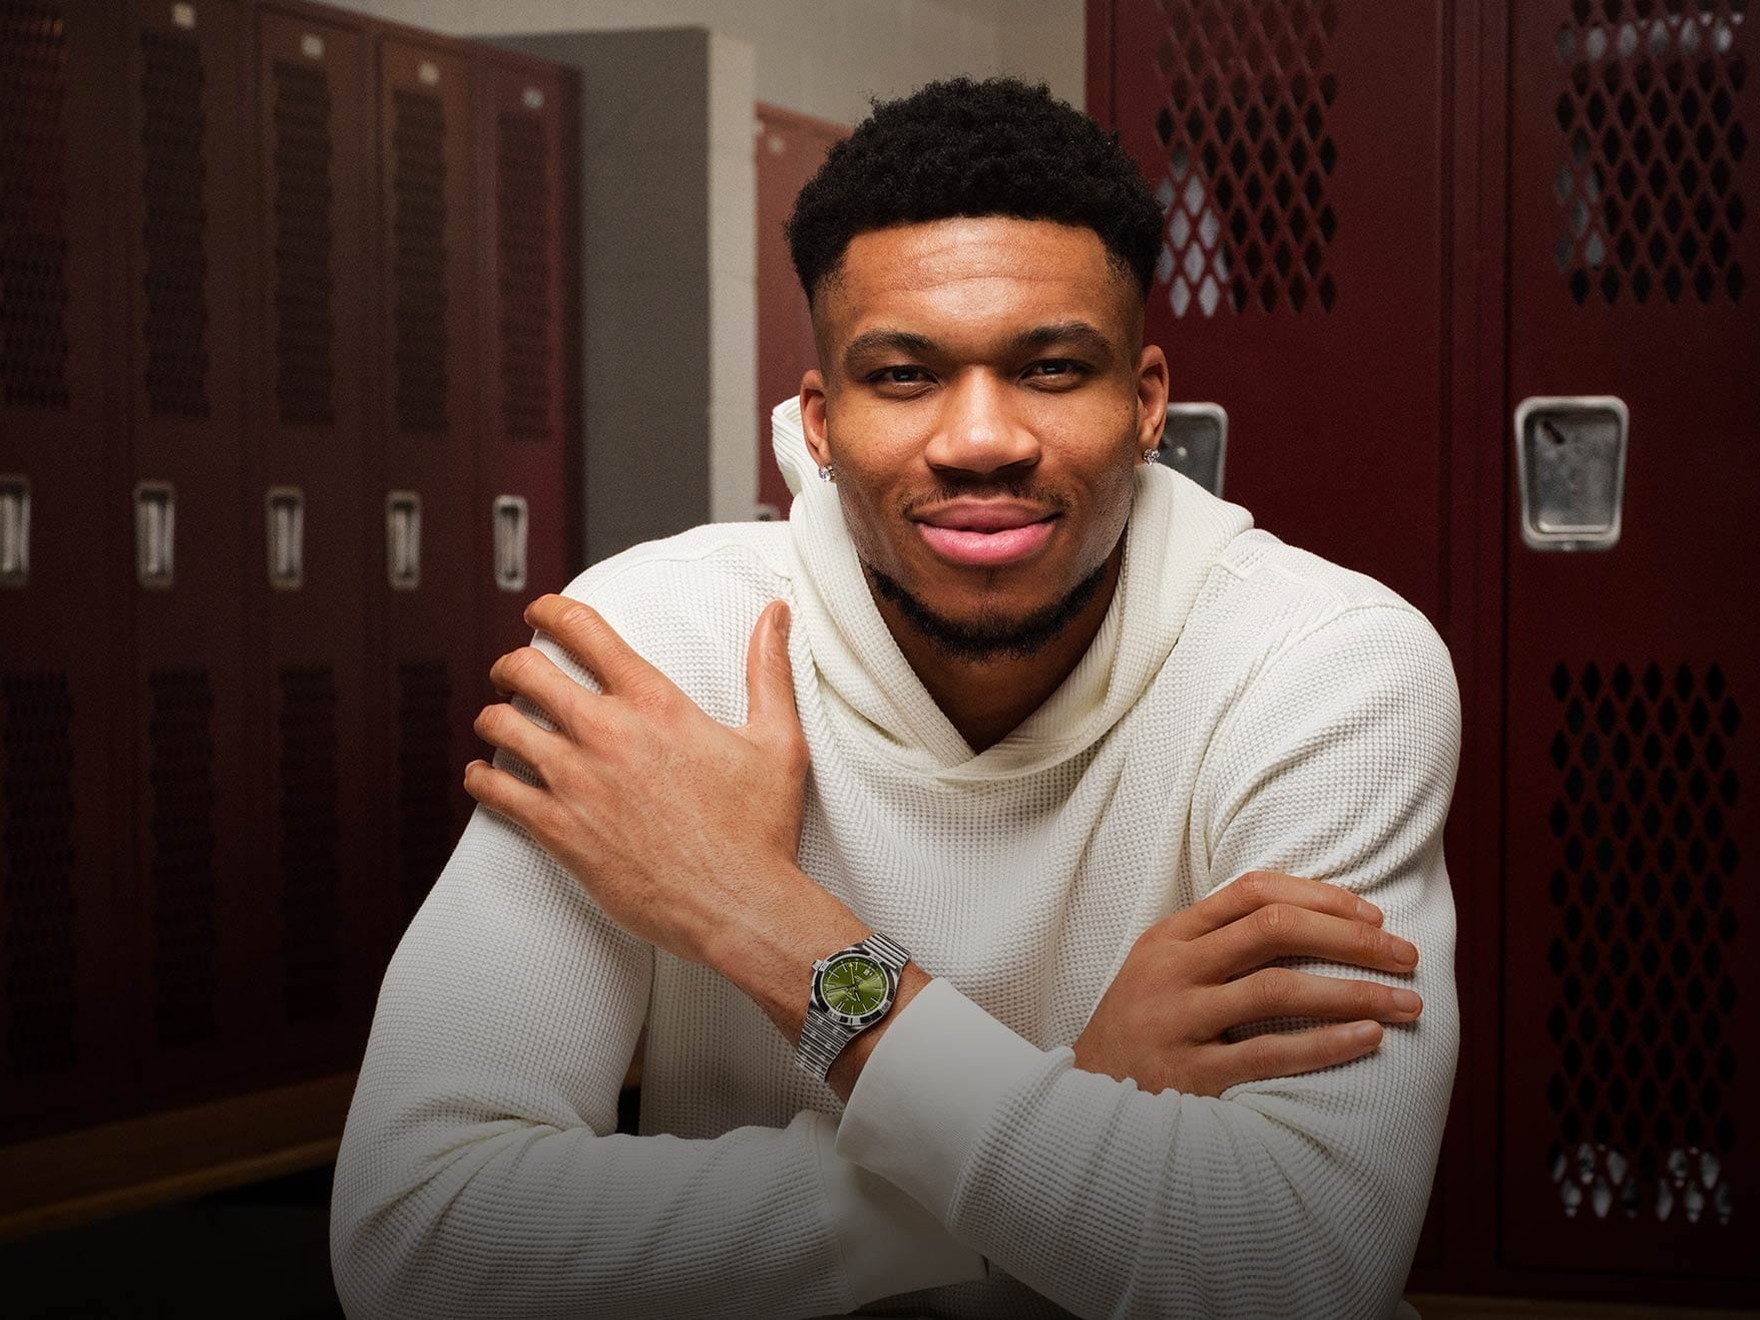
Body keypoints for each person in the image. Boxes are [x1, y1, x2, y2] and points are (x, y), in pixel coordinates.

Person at [330, 77, 1459, 1320]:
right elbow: (414, 1238)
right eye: (905, 375)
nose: (981, 438)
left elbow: (1304, 1270)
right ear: (819, 421)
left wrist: (762, 919)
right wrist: (1058, 1100)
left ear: (1145, 406)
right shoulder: (657, 649)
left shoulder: (1320, 666)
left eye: (1049, 366)